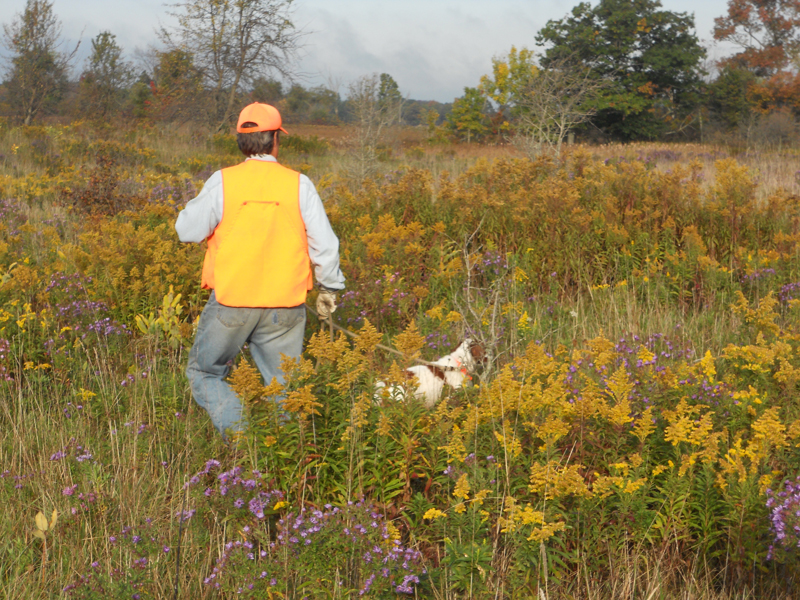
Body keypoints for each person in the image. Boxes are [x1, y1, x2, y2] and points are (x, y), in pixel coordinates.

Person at [175, 102, 345, 438]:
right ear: (275, 140)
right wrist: (328, 290)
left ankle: (242, 438)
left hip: (231, 302)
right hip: (285, 306)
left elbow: (186, 231)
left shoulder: (223, 181)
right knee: (286, 388)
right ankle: (284, 458)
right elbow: (325, 245)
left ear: (241, 140)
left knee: (205, 373)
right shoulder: (299, 184)